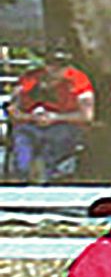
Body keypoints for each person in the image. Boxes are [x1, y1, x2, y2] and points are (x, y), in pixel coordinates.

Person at [8, 53, 95, 186]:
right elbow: (13, 110)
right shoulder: (30, 78)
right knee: (22, 142)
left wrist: (56, 118)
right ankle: (22, 176)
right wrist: (31, 117)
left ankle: (46, 174)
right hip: (30, 123)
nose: (55, 69)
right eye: (51, 64)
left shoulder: (78, 80)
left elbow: (87, 116)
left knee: (59, 139)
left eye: (61, 65)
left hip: (64, 124)